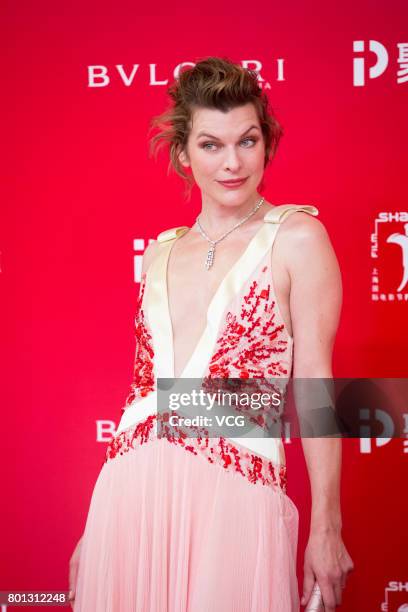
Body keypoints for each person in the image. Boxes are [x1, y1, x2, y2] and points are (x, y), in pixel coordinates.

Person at [69, 56, 354, 611]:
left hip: (232, 501)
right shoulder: (161, 251)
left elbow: (316, 385)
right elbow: (142, 397)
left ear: (267, 144)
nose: (232, 163)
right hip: (129, 499)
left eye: (247, 141)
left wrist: (327, 524)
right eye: (210, 145)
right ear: (183, 153)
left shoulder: (297, 237)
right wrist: (92, 530)